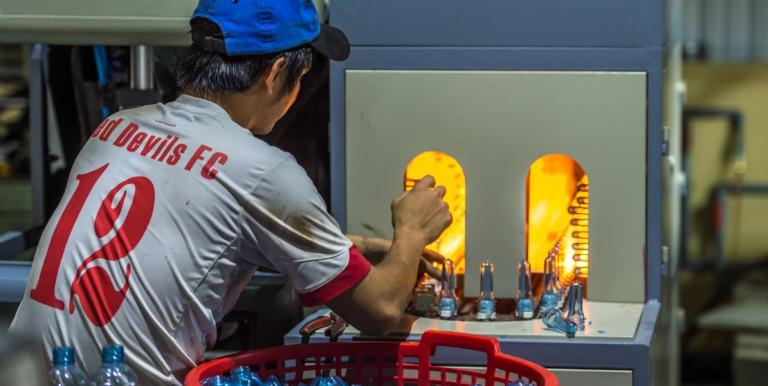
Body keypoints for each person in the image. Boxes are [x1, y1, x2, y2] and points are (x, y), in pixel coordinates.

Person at [9, 0, 452, 384]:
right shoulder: (264, 170)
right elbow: (380, 311)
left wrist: (361, 246)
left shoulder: (116, 127)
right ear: (278, 73)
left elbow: (183, 220)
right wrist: (411, 230)